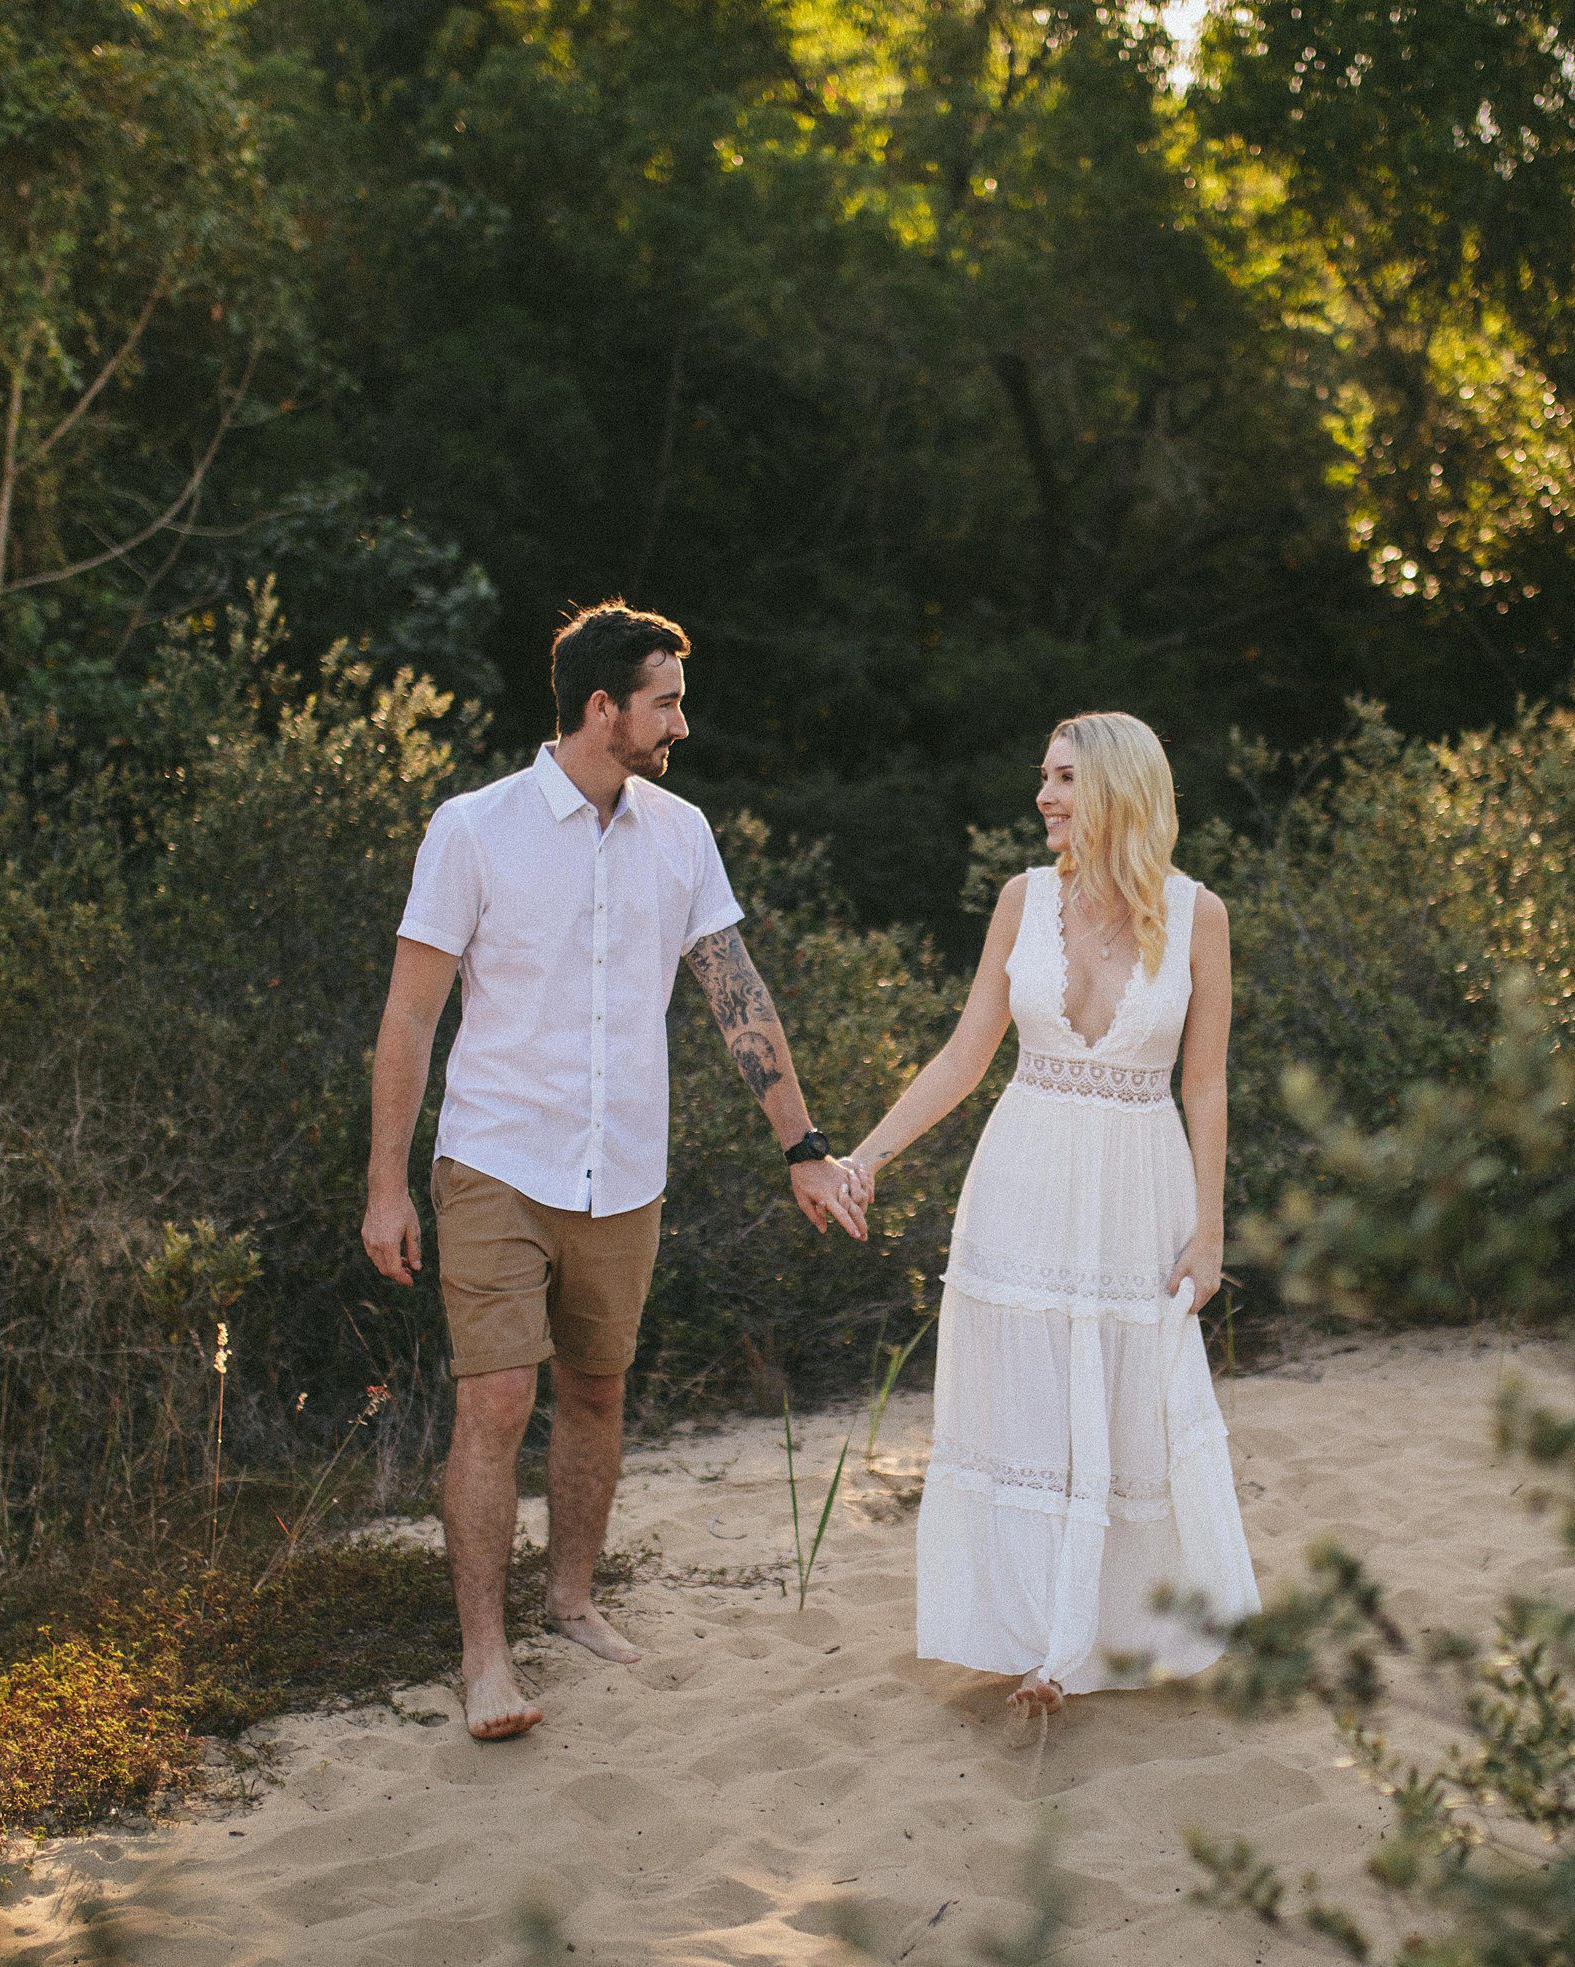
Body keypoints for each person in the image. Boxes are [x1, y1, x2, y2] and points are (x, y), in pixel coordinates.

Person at [362, 601, 872, 1742]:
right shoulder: (473, 829)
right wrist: (385, 1186)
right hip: (495, 1155)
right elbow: (409, 1017)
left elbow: (736, 993)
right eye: (666, 703)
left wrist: (803, 1146)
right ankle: (485, 1656)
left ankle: (571, 1598)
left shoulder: (681, 833)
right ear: (603, 708)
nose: (681, 724)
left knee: (597, 1389)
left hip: (624, 1167)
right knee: (498, 1398)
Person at [847, 712, 1260, 1716]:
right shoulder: (1023, 898)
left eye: (1065, 778)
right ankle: (1039, 1643)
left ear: (1119, 786)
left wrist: (1209, 1232)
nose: (1043, 795)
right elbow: (965, 1053)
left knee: (1130, 1409)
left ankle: (1104, 1632)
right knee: (1026, 1407)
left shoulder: (1198, 914)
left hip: (1138, 1190)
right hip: (1023, 1181)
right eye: (1044, 776)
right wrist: (866, 1157)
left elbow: (1205, 1083)